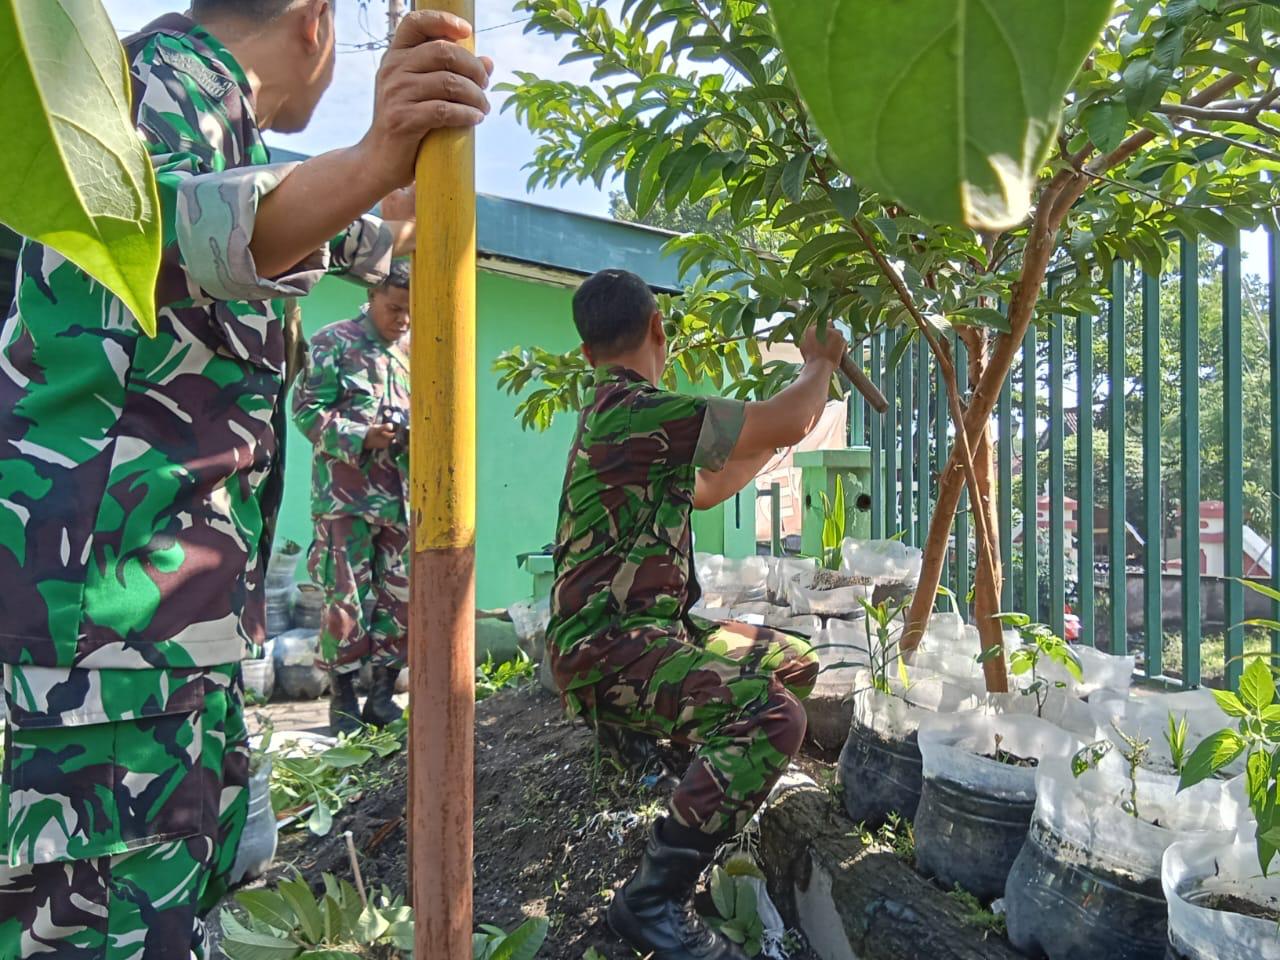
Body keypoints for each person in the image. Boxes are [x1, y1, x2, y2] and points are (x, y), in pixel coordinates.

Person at [0, 2, 492, 957]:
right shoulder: (158, 83)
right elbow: (177, 228)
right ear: (314, 19)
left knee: (177, 913)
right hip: (100, 645)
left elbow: (297, 220)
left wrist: (390, 198)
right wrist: (371, 157)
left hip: (159, 645)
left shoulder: (219, 124)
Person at [546, 269, 846, 960]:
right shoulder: (636, 408)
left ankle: (681, 766)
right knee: (775, 716)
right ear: (659, 329)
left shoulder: (627, 416)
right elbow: (790, 416)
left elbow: (711, 486)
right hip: (609, 649)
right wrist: (820, 362)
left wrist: (777, 429)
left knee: (791, 662)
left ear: (586, 350)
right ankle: (651, 899)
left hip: (641, 636)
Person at [293, 260, 412, 734]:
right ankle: (342, 698)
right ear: (372, 297)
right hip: (345, 498)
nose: (403, 319)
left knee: (398, 597)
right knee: (345, 598)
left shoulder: (415, 351)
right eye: (394, 307)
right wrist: (362, 436)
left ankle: (382, 696)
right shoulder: (333, 342)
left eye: (411, 310)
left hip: (401, 498)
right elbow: (306, 411)